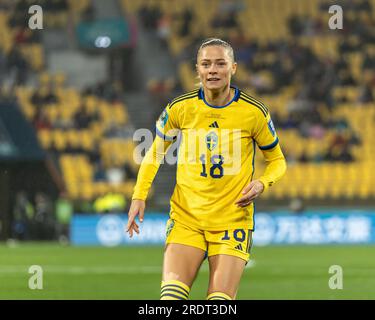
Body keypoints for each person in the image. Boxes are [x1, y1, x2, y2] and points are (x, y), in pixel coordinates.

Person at [126, 38, 287, 300]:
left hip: (232, 222)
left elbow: (278, 161)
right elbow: (154, 153)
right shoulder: (180, 108)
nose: (213, 70)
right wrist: (139, 195)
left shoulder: (254, 112)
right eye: (206, 64)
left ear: (233, 68)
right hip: (187, 219)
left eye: (220, 63)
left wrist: (262, 183)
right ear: (198, 70)